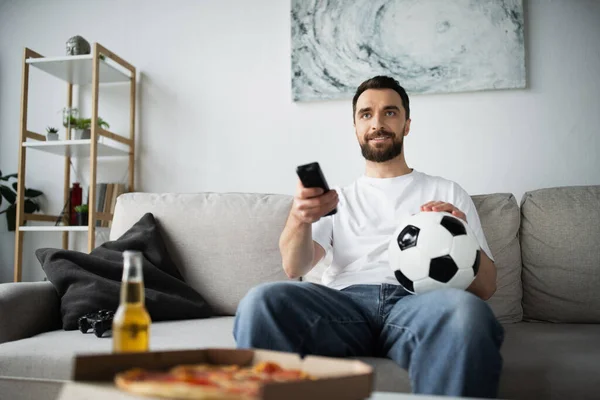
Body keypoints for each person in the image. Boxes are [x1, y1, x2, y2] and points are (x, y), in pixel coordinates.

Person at [233, 76, 504, 398]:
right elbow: (295, 267)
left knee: (466, 313)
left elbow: (486, 288)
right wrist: (299, 217)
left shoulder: (446, 191)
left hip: (419, 304)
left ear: (406, 125)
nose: (377, 123)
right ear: (356, 128)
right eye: (366, 114)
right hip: (343, 306)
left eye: (390, 112)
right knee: (262, 301)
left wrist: (461, 238)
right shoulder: (337, 199)